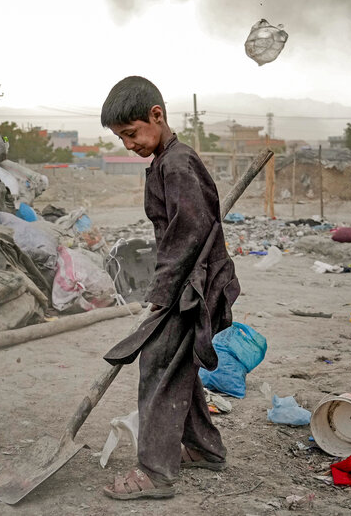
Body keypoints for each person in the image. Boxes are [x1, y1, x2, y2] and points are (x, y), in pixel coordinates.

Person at [98, 76, 239, 500]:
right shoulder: (165, 161)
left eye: (131, 133)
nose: (128, 144)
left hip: (193, 284)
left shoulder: (177, 163)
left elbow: (188, 233)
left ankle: (155, 472)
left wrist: (161, 293)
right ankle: (203, 447)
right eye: (121, 137)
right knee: (178, 363)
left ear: (156, 116)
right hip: (187, 280)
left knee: (159, 365)